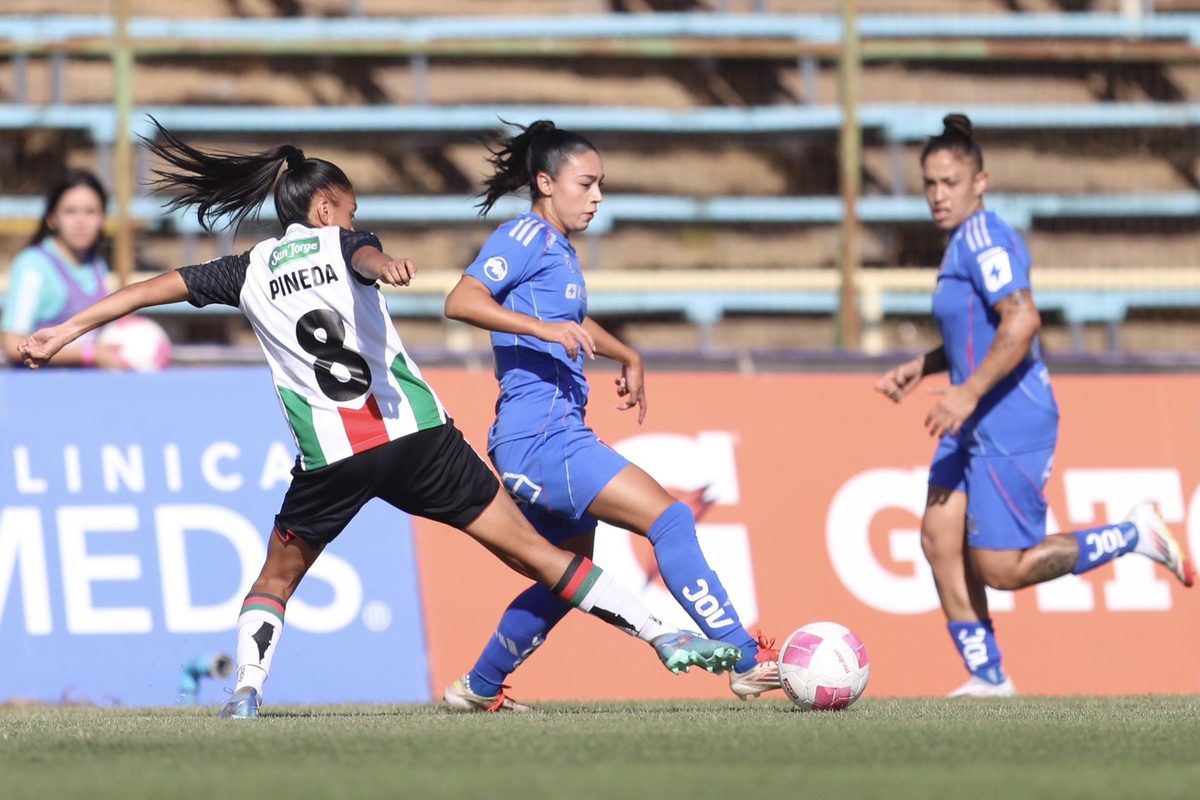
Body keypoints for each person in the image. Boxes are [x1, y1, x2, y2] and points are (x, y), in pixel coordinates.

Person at [17, 119, 743, 719]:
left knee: (275, 578)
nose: (356, 220)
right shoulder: (342, 241)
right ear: (329, 207)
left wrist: (65, 331)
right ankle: (662, 633)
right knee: (539, 556)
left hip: (331, 458)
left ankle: (246, 688)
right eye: (353, 209)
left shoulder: (246, 269)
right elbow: (361, 257)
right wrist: (384, 260)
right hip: (418, 440)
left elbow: (150, 290)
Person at [440, 120, 778, 712]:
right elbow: (462, 300)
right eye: (587, 184)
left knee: (568, 574)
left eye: (601, 186)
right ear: (545, 182)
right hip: (543, 438)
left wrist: (625, 352)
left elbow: (568, 319)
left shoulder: (556, 250)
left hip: (540, 437)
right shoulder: (523, 234)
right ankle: (744, 660)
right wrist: (544, 329)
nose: (597, 198)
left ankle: (479, 686)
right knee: (670, 520)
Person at [875, 114, 1195, 698]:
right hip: (971, 413)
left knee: (1001, 568)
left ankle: (1132, 534)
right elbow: (977, 332)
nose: (938, 194)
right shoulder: (959, 244)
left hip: (1008, 414)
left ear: (981, 182)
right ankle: (989, 676)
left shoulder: (985, 240)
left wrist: (968, 392)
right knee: (940, 538)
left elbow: (1022, 319)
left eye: (950, 181)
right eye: (929, 183)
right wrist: (924, 365)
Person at [2, 169, 127, 369]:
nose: (81, 221)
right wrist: (88, 354)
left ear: (103, 219)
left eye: (90, 211)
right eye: (70, 211)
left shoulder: (97, 265)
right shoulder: (32, 265)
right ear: (52, 218)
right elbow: (11, 343)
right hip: (39, 388)